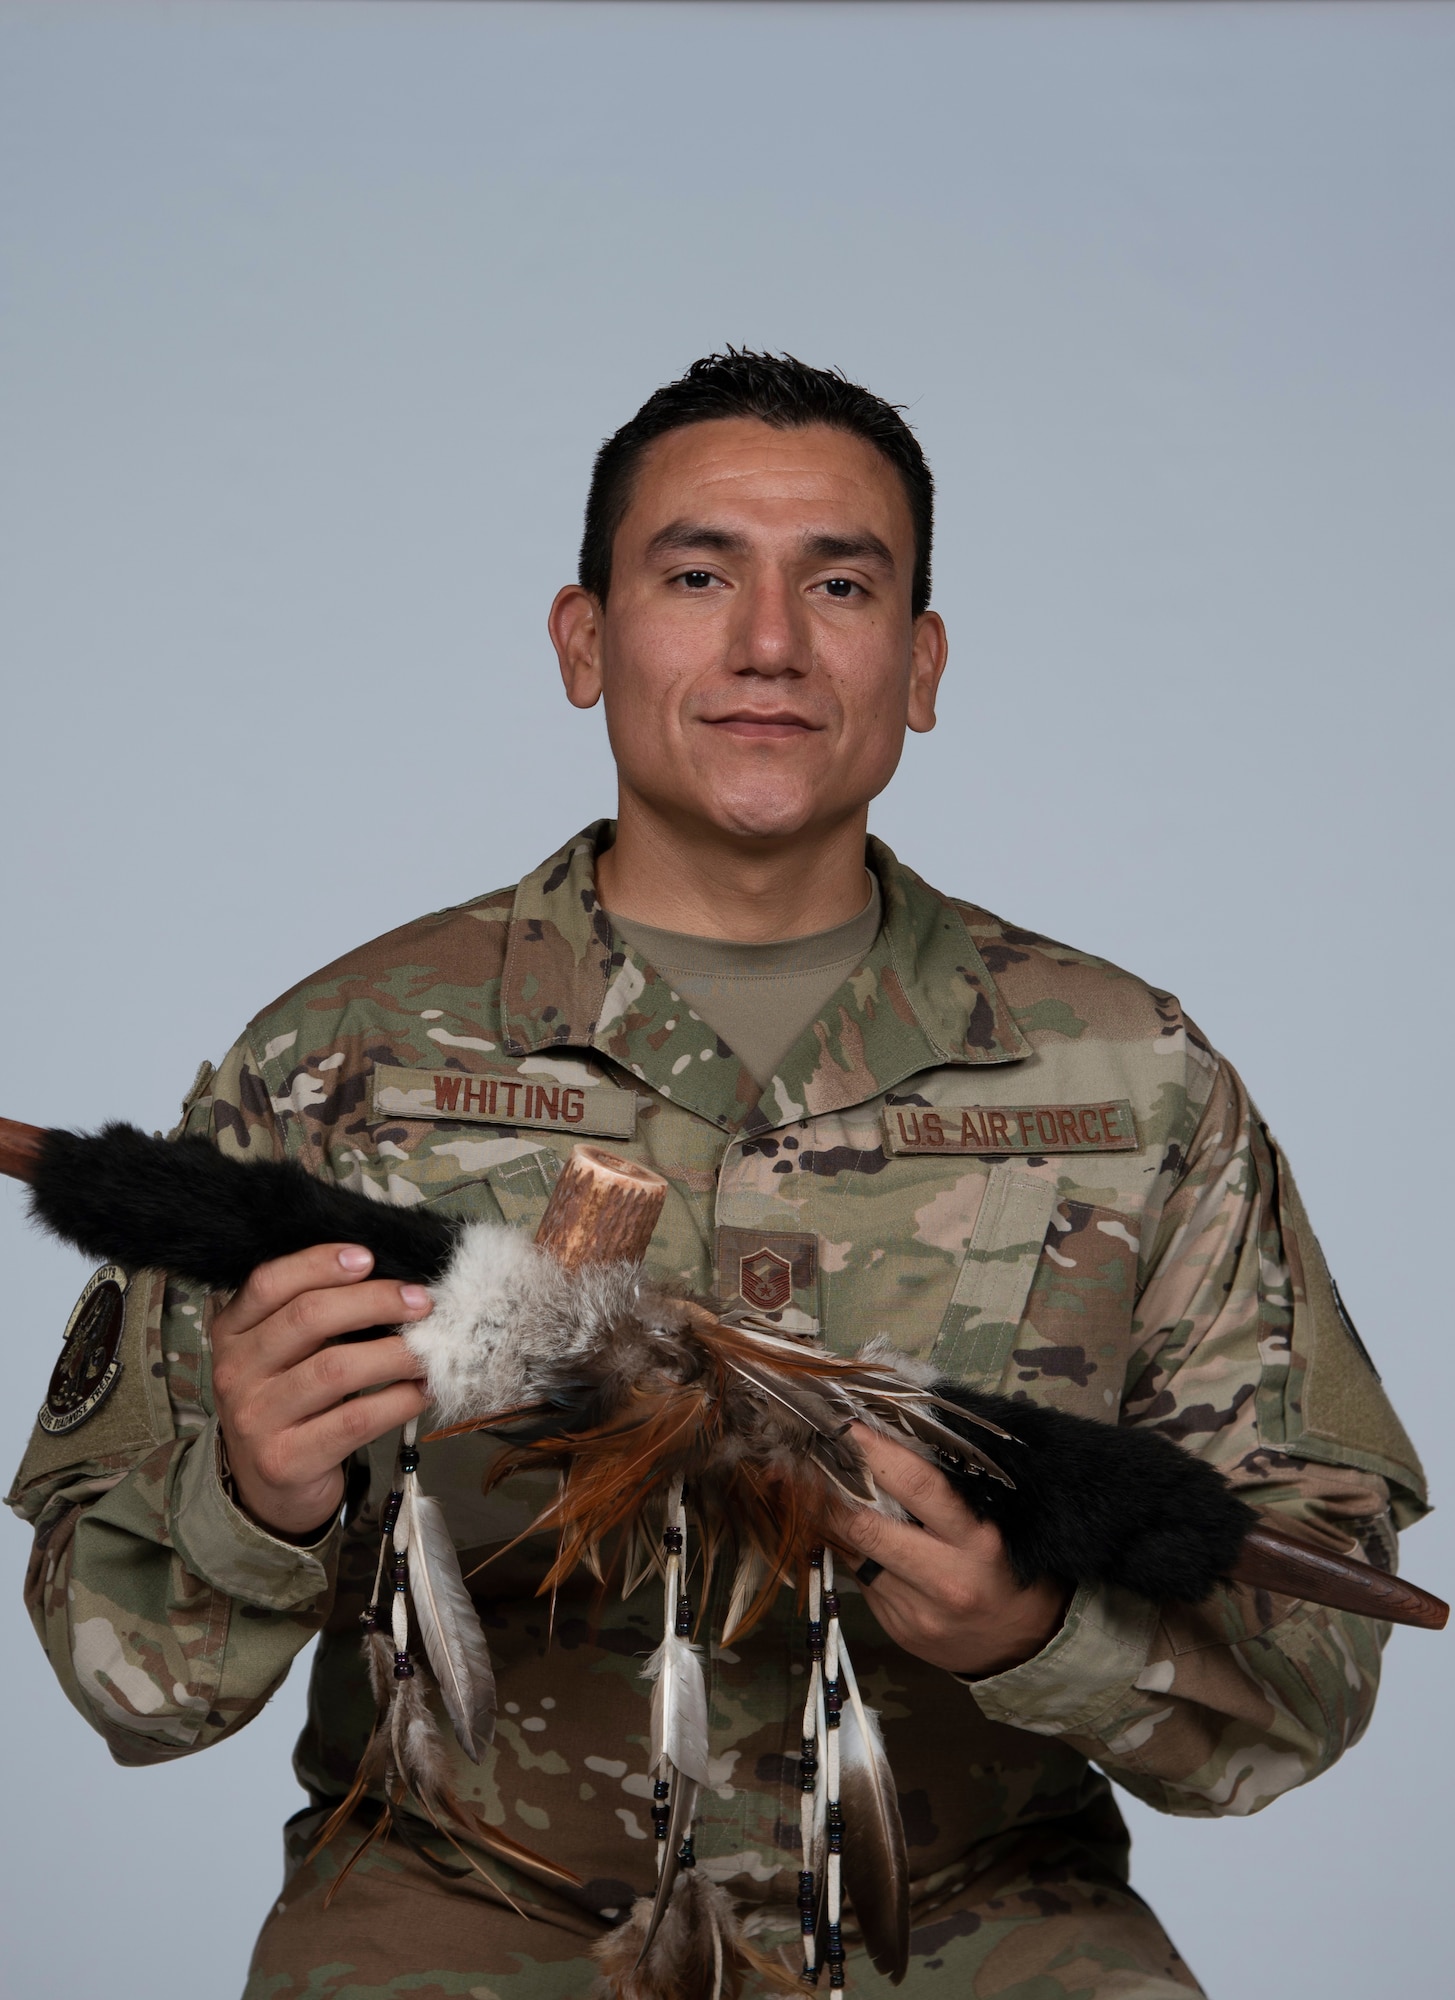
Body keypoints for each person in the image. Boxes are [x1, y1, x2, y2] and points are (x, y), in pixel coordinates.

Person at [9, 352, 1428, 2000]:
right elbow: (125, 1690)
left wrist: (1043, 1639)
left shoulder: (1137, 1082)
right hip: (466, 1913)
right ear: (585, 641)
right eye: (698, 575)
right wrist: (255, 1500)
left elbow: (1309, 1670)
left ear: (922, 662)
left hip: (979, 1918)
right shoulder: (341, 1064)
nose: (770, 643)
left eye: (841, 582)